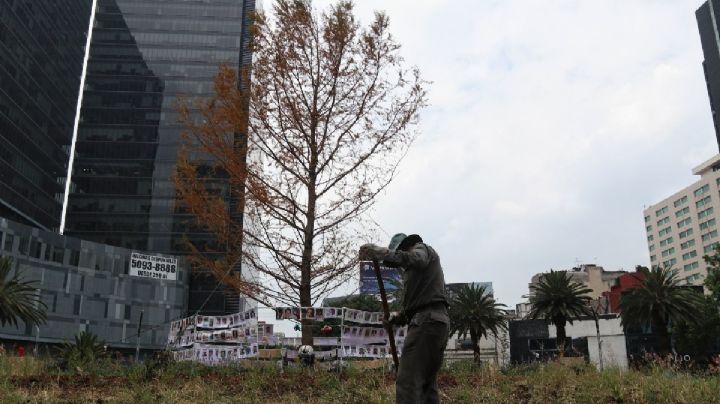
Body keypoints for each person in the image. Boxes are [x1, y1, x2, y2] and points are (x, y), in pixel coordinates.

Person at [360, 233, 449, 404]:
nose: (400, 264)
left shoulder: (421, 250)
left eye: (399, 254)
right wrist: (397, 319)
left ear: (404, 247)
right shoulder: (419, 276)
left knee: (408, 381)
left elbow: (417, 259)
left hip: (427, 322)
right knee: (426, 384)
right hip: (434, 322)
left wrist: (382, 253)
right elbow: (413, 307)